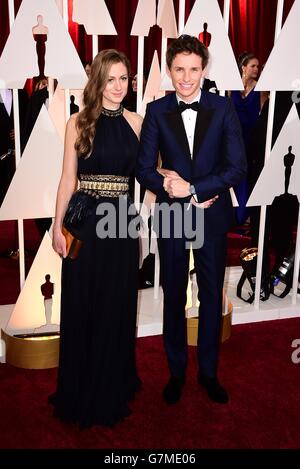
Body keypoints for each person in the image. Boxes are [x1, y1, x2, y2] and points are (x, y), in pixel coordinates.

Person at [136, 34, 247, 405]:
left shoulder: (223, 108)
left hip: (211, 213)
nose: (186, 77)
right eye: (179, 70)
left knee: (212, 295)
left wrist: (195, 189)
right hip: (171, 215)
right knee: (173, 295)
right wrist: (173, 189)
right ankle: (177, 372)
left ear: (203, 69)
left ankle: (209, 373)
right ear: (169, 71)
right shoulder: (156, 110)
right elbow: (143, 168)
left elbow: (237, 167)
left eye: (193, 69)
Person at [50, 49, 142, 428]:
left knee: (116, 305)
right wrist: (58, 226)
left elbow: (150, 174)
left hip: (121, 224)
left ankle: (111, 384)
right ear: (98, 81)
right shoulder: (78, 122)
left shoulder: (138, 122)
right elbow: (68, 178)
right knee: (84, 302)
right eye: (111, 79)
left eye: (124, 79)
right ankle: (82, 385)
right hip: (86, 222)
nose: (118, 87)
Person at [230, 52, 267, 225]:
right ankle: (233, 212)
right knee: (234, 172)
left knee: (248, 174)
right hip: (234, 137)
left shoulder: (261, 88)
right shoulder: (231, 87)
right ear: (243, 67)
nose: (256, 69)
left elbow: (263, 114)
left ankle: (245, 214)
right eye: (253, 66)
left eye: (258, 66)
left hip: (252, 138)